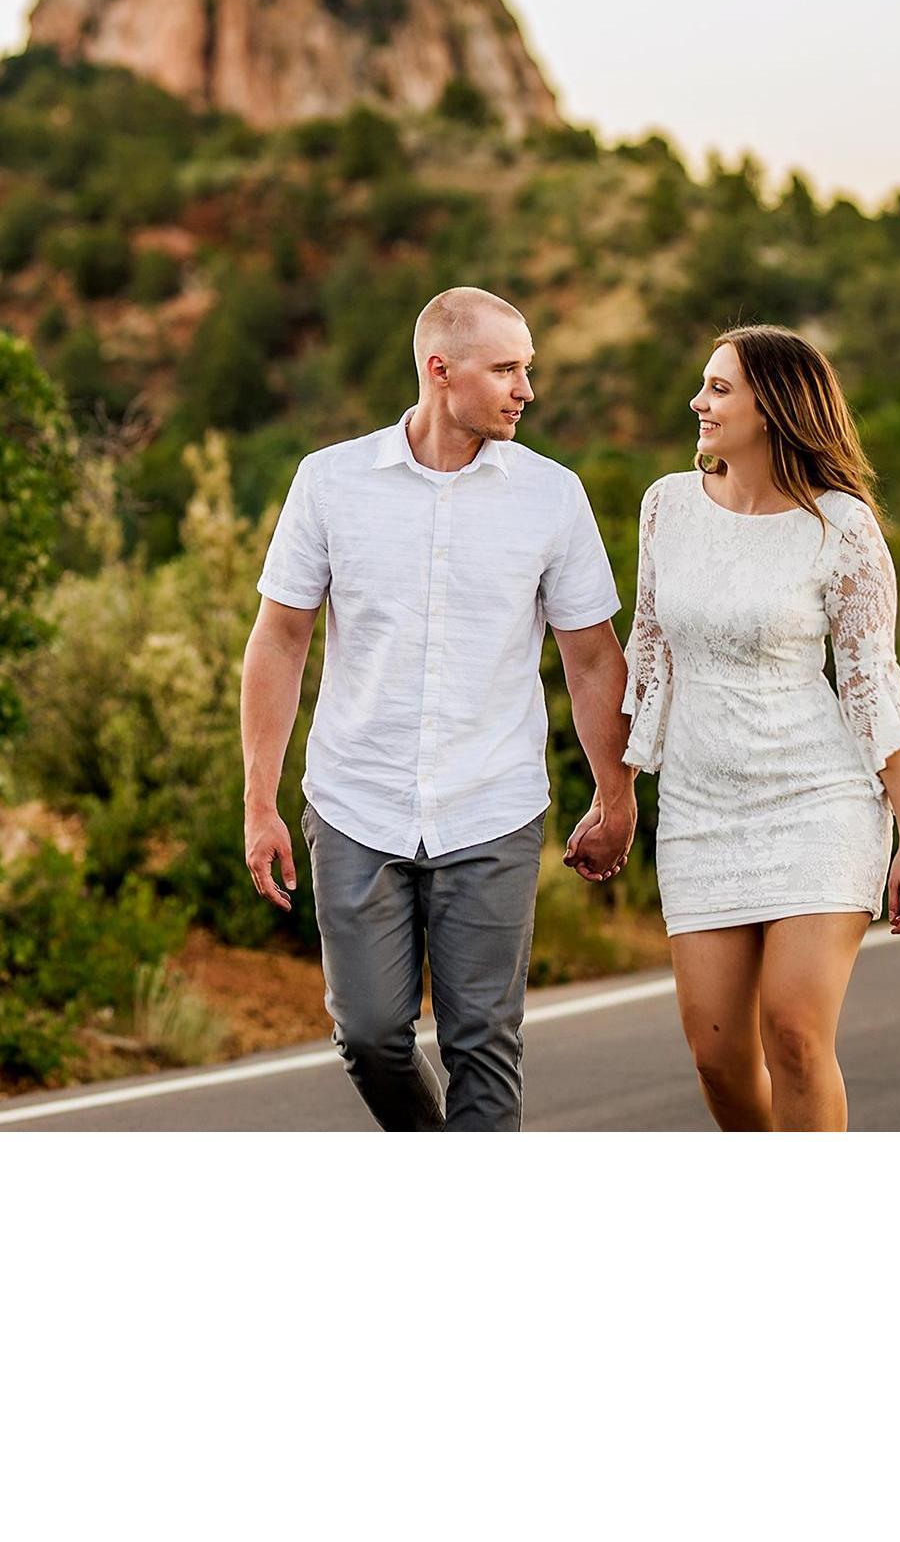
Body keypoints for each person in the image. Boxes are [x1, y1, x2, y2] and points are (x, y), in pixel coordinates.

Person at [239, 287, 630, 1132]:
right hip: (354, 805)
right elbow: (279, 639)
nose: (528, 389)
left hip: (492, 806)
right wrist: (258, 799)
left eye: (529, 368)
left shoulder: (552, 496)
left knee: (483, 1043)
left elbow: (593, 656)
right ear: (439, 369)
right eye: (508, 370)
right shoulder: (330, 482)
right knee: (372, 1037)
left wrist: (616, 793)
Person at [578, 323, 900, 1132]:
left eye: (720, 388)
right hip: (702, 810)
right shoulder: (667, 505)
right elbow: (651, 655)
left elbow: (871, 683)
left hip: (820, 800)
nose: (698, 401)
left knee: (796, 1037)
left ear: (772, 407)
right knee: (717, 1059)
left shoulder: (842, 526)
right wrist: (616, 795)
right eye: (705, 385)